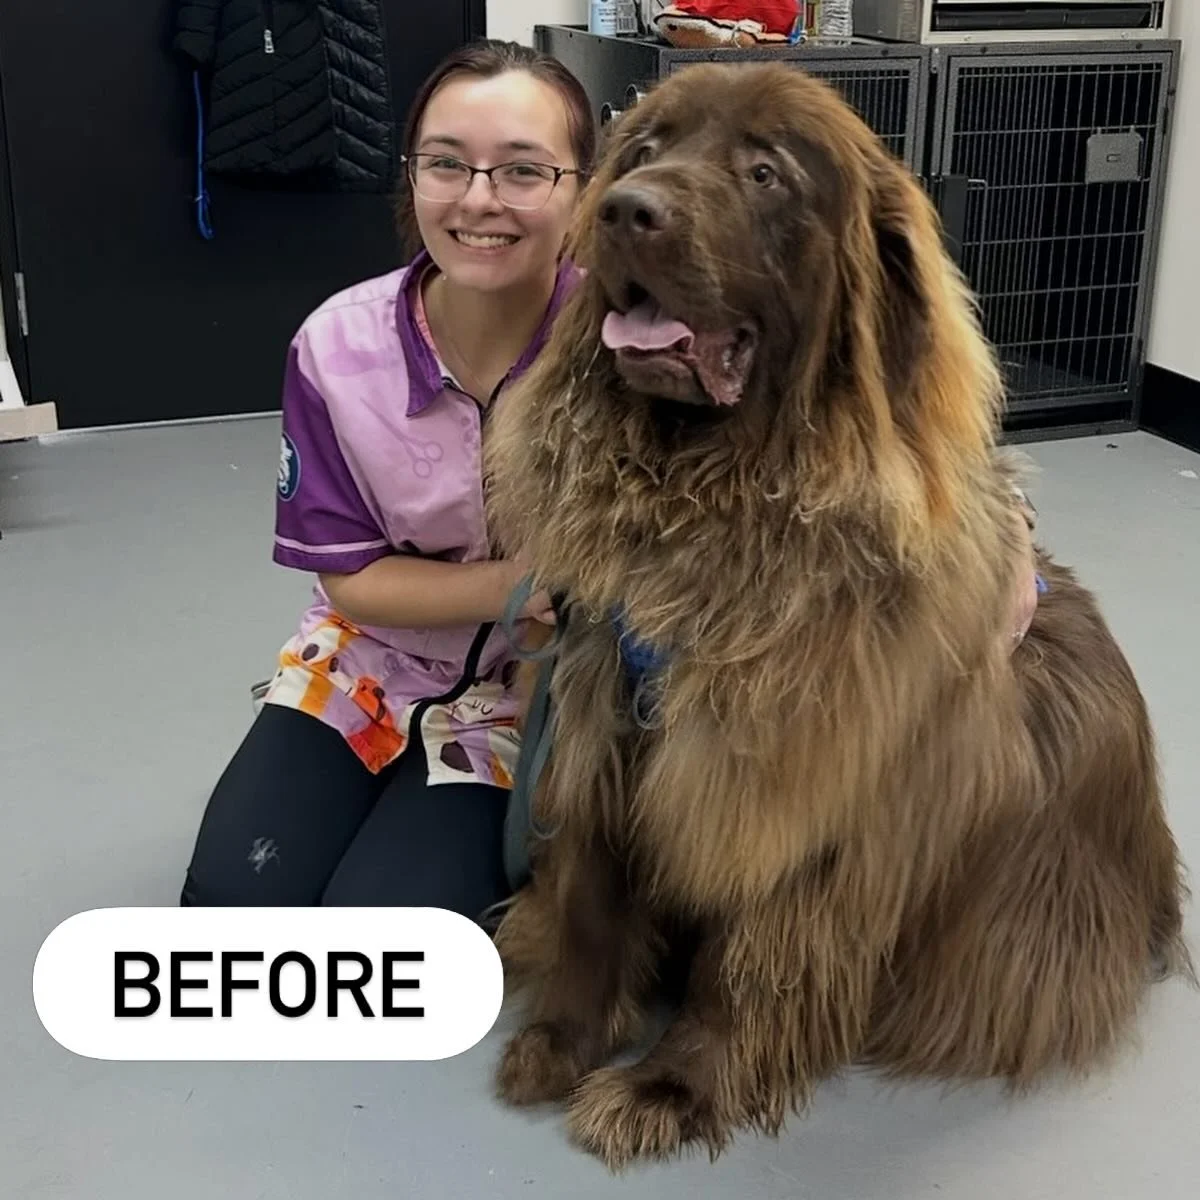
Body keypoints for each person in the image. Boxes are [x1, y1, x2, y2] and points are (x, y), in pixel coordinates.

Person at [179, 40, 595, 914]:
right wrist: (524, 583)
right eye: (447, 164)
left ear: (582, 189)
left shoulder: (617, 349)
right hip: (367, 656)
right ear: (411, 176)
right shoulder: (337, 347)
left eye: (524, 171)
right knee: (232, 901)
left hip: (538, 686)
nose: (480, 200)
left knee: (388, 930)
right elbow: (352, 578)